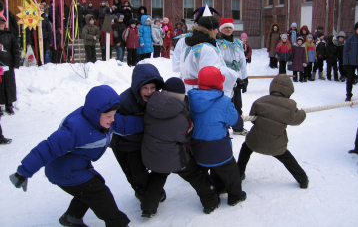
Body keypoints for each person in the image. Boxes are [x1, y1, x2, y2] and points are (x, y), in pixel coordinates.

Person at [9, 85, 144, 227]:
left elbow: (126, 124)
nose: (112, 119)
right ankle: (117, 223)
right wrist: (23, 172)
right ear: (96, 113)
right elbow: (48, 148)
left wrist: (150, 123)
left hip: (77, 166)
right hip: (63, 171)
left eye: (114, 115)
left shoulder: (105, 120)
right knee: (100, 193)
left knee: (92, 186)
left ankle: (72, 217)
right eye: (109, 116)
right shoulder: (76, 129)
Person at [141, 77, 220, 217]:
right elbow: (186, 138)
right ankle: (210, 201)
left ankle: (148, 208)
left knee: (157, 176)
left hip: (152, 156)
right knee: (196, 175)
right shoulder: (182, 116)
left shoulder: (149, 107)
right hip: (174, 158)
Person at [237, 74, 309, 188]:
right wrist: (302, 113)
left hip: (255, 141)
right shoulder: (290, 106)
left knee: (245, 149)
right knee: (286, 157)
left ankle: (238, 174)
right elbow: (296, 120)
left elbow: (253, 119)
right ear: (289, 90)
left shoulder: (260, 101)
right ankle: (303, 179)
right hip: (276, 144)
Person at [188, 66, 246, 206]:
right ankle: (235, 196)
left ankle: (218, 187)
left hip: (197, 148)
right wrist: (239, 122)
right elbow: (235, 122)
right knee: (231, 172)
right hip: (218, 147)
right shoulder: (224, 101)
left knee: (213, 166)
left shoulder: (191, 98)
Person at [110, 64, 165, 203]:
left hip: (139, 143)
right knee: (130, 173)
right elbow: (114, 124)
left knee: (139, 173)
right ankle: (140, 191)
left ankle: (152, 190)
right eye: (145, 88)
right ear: (137, 87)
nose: (149, 91)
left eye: (152, 88)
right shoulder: (124, 101)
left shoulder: (157, 99)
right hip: (121, 143)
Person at [179, 6, 238, 99]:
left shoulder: (192, 45)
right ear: (210, 30)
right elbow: (212, 75)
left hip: (190, 91)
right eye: (216, 29)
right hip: (201, 93)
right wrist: (233, 78)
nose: (217, 31)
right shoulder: (206, 49)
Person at [216, 18, 248, 135]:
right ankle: (223, 127)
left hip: (238, 78)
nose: (228, 29)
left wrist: (244, 78)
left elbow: (242, 62)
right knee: (224, 103)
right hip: (224, 78)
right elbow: (219, 61)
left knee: (238, 104)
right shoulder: (218, 44)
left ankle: (238, 127)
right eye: (226, 27)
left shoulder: (238, 43)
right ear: (221, 29)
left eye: (230, 27)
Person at [0, 16, 19, 115]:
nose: (1, 25)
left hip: (8, 65)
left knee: (9, 85)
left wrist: (16, 63)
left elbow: (15, 50)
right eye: (0, 23)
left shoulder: (9, 36)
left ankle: (9, 105)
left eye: (3, 23)